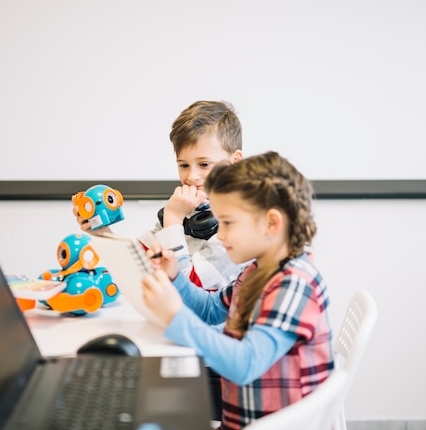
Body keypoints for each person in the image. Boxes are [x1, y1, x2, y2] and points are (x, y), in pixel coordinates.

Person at [141, 151, 334, 430]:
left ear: (271, 223)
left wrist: (174, 318)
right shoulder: (259, 270)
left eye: (228, 223)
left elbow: (245, 363)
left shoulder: (295, 285)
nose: (220, 234)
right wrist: (175, 276)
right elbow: (210, 310)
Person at [73, 100, 244, 292]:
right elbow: (140, 262)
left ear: (234, 161)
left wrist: (173, 219)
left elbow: (188, 288)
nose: (191, 177)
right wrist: (101, 232)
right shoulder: (187, 209)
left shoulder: (239, 225)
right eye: (183, 165)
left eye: (204, 164)